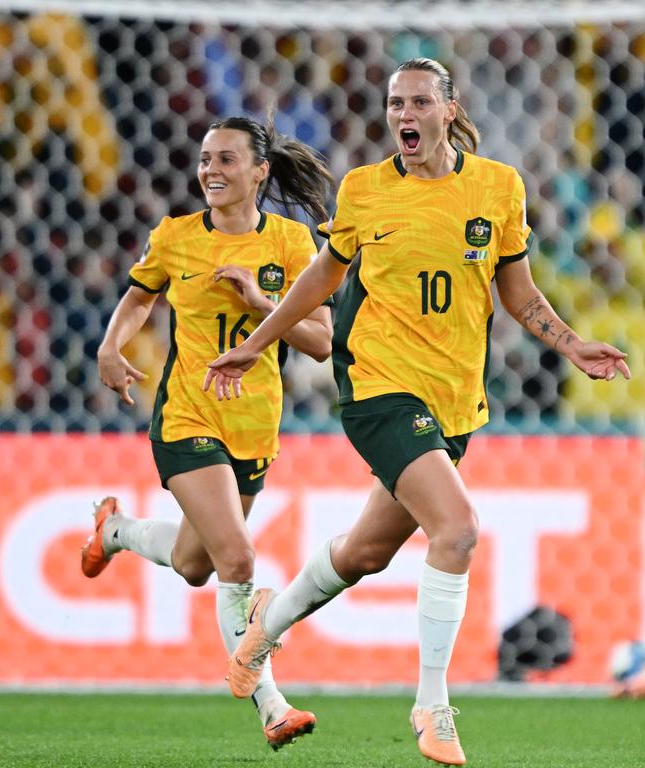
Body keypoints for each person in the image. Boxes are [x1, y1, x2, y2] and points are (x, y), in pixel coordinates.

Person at [204, 59, 631, 767]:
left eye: (419, 101)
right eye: (395, 102)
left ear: (447, 110)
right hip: (377, 387)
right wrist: (256, 343)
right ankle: (432, 706)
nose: (404, 113)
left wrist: (571, 342)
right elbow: (322, 278)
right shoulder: (366, 190)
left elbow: (517, 294)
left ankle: (262, 628)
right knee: (457, 531)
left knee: (365, 553)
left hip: (453, 400)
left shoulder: (498, 188)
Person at [83, 116, 334, 751]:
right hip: (187, 417)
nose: (211, 171)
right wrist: (112, 347)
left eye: (226, 160)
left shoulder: (291, 244)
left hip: (255, 425)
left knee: (196, 565)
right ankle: (271, 706)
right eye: (204, 160)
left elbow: (323, 343)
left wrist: (260, 303)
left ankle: (116, 531)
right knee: (240, 559)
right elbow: (141, 297)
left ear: (260, 171)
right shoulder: (174, 238)